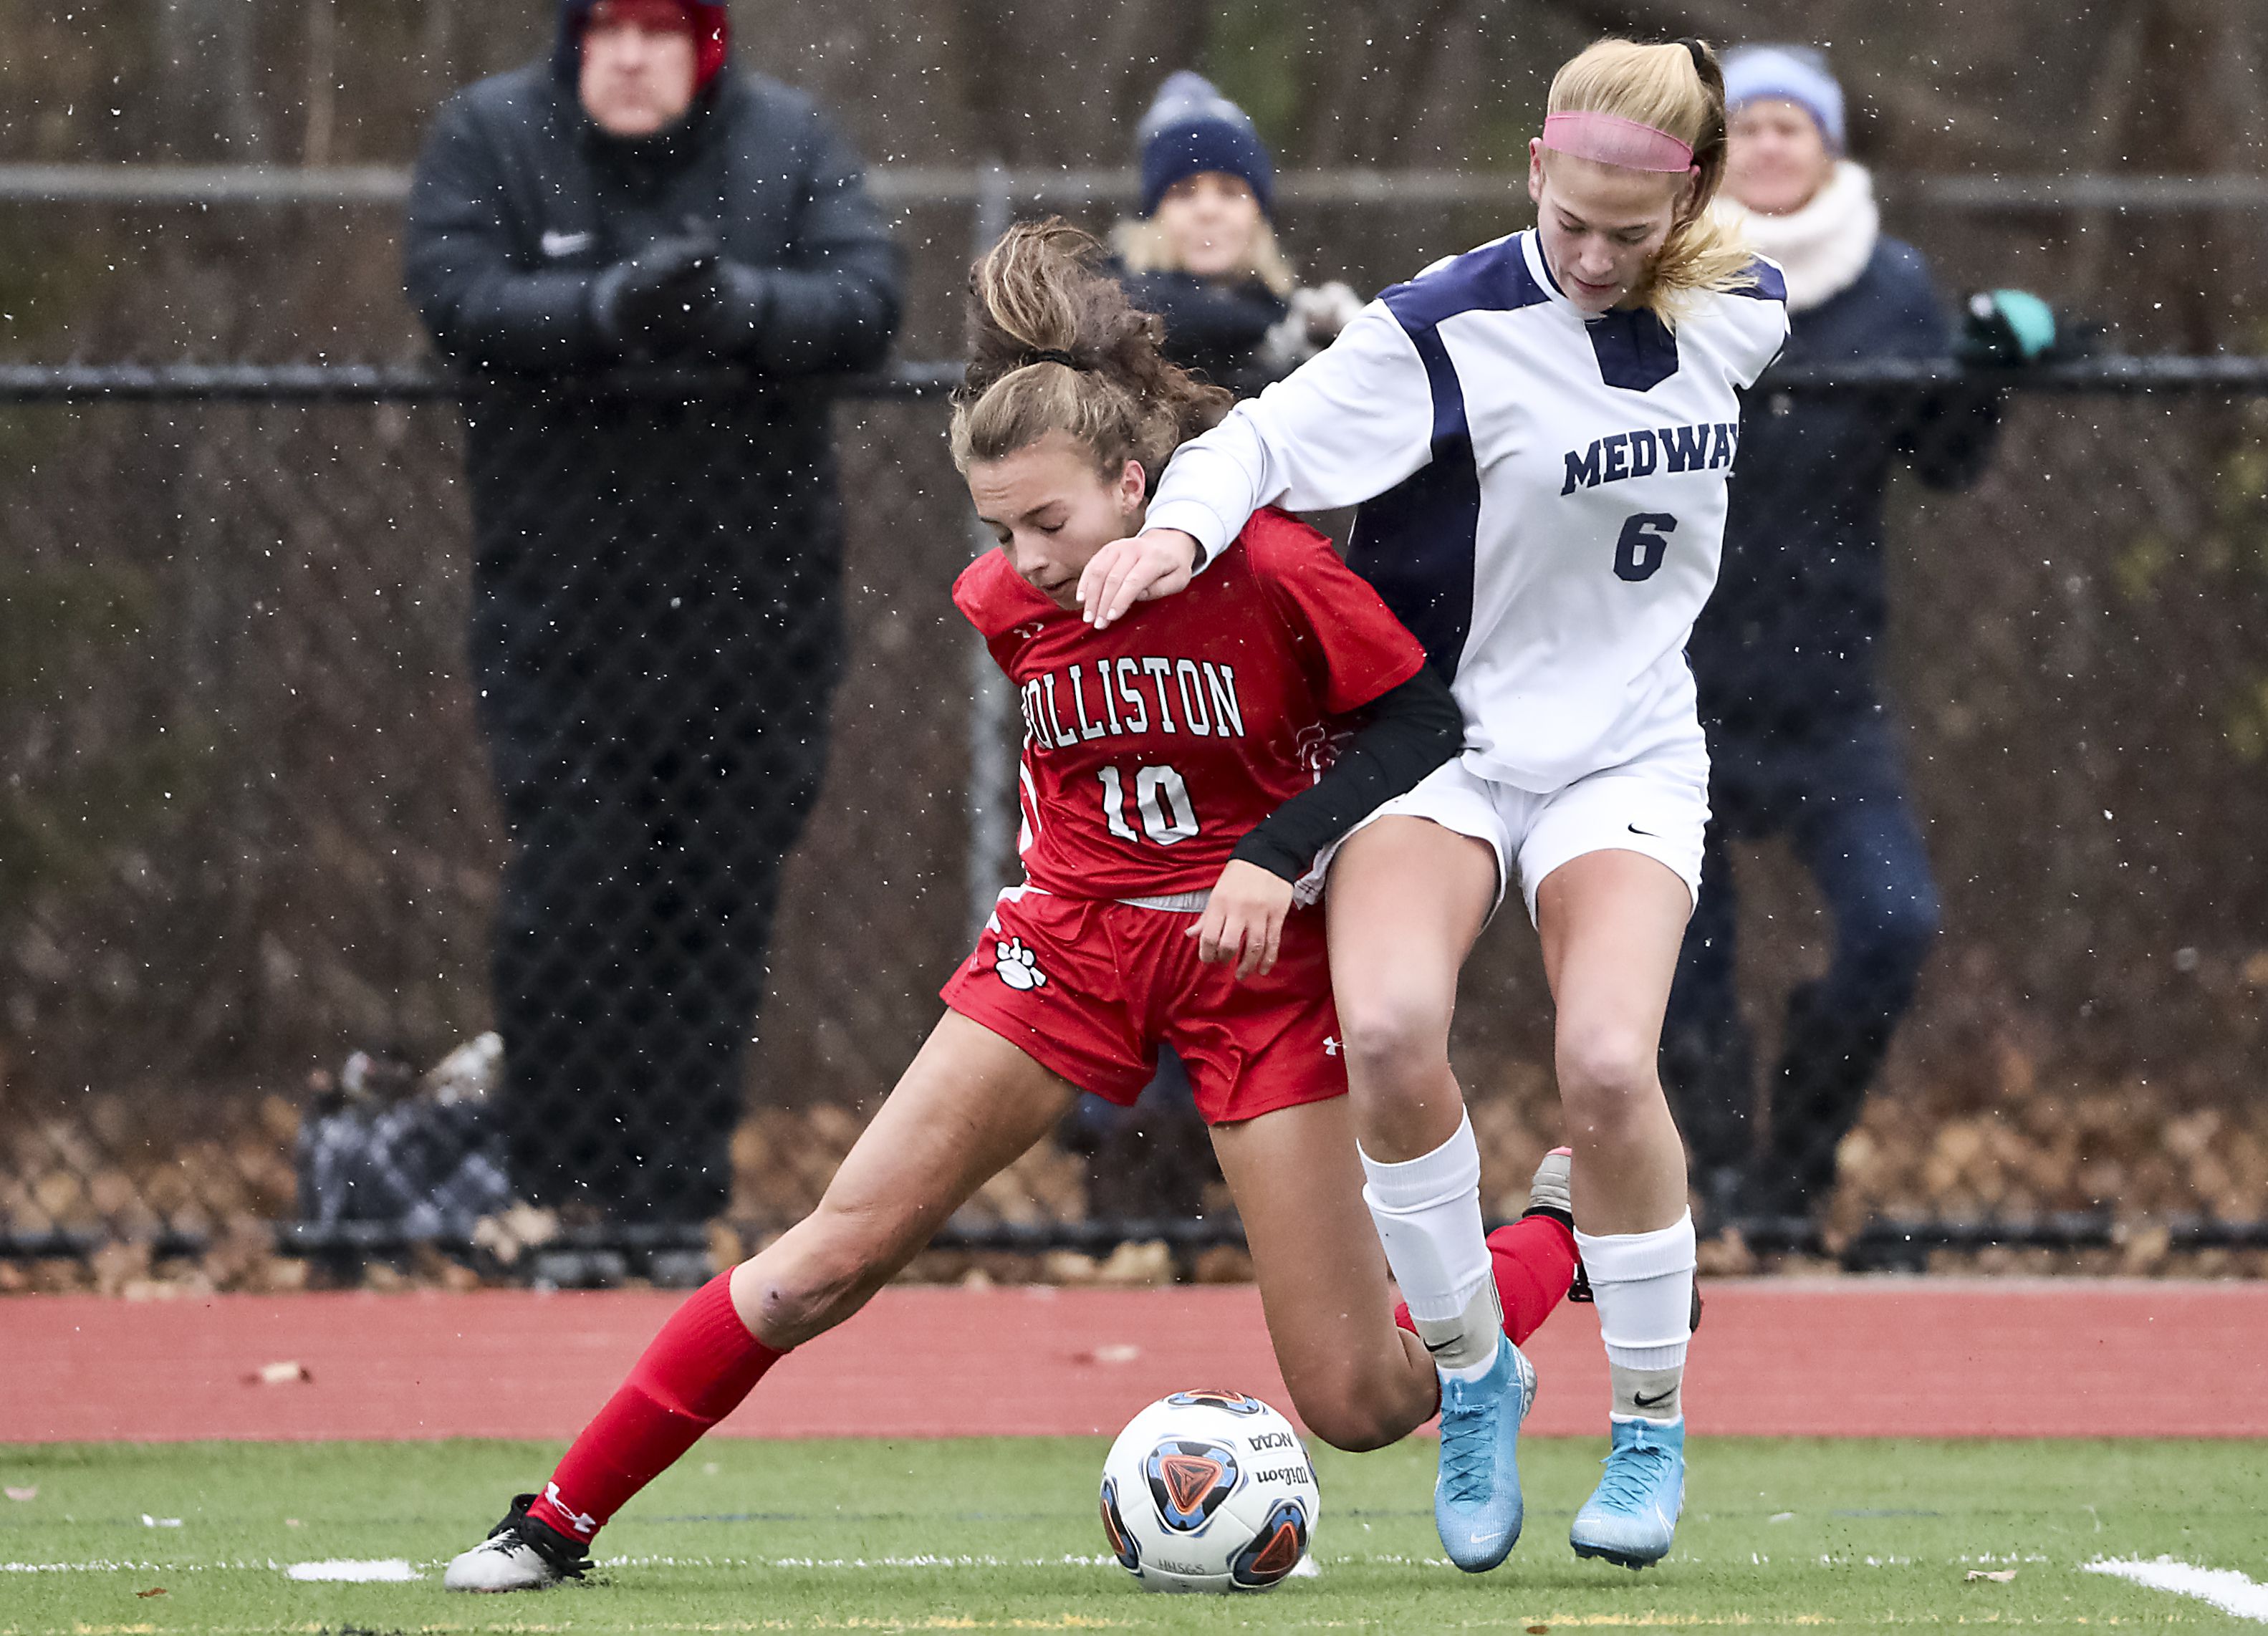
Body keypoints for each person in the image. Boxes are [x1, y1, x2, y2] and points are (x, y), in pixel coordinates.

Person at [440, 220, 1584, 1593]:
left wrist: (1275, 853)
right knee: (826, 1257)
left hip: (1254, 962)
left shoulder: (1271, 567)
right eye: (999, 527)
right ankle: (555, 1515)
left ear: (1134, 479)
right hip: (1072, 952)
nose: (1026, 556)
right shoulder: (1004, 599)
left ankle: (1561, 1238)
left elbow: (1416, 720)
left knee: (1359, 1399)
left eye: (1050, 520)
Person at [1073, 39, 1788, 1572]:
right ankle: (1473, 1373)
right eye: (1570, 219)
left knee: (1605, 1062)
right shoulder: (1442, 325)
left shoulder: (1738, 303)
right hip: (1439, 742)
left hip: (1626, 751)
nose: (1593, 258)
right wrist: (1178, 537)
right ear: (1533, 166)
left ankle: (1649, 1415)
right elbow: (1260, 438)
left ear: (1687, 201)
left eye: (1628, 231)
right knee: (1393, 1032)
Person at [402, 0, 903, 1229]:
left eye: (658, 29)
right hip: (557, 617)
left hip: (760, 622)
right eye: (606, 27)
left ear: (706, 45)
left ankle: (673, 1205)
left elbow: (865, 300)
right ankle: (561, 1193)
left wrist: (737, 308)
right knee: (573, 888)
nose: (629, 55)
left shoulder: (790, 142)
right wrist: (603, 311)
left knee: (718, 900)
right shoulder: (491, 135)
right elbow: (458, 296)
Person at [1663, 45, 2003, 1231]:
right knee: (1675, 964)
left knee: (1892, 923)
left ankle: (1794, 1170)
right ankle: (1708, 1184)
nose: (1766, 145)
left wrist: (1985, 375)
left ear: (1827, 148)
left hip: (1828, 694)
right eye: (1745, 127)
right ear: (1716, 157)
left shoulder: (1892, 284)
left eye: (1788, 128)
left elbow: (1946, 457)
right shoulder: (1668, 275)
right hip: (1676, 691)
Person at [1109, 71, 1363, 385]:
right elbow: (1176, 318)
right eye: (1184, 192)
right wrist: (1277, 326)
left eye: (1230, 192)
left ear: (1258, 213)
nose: (1208, 211)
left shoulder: (1296, 327)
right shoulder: (1107, 311)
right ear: (1153, 215)